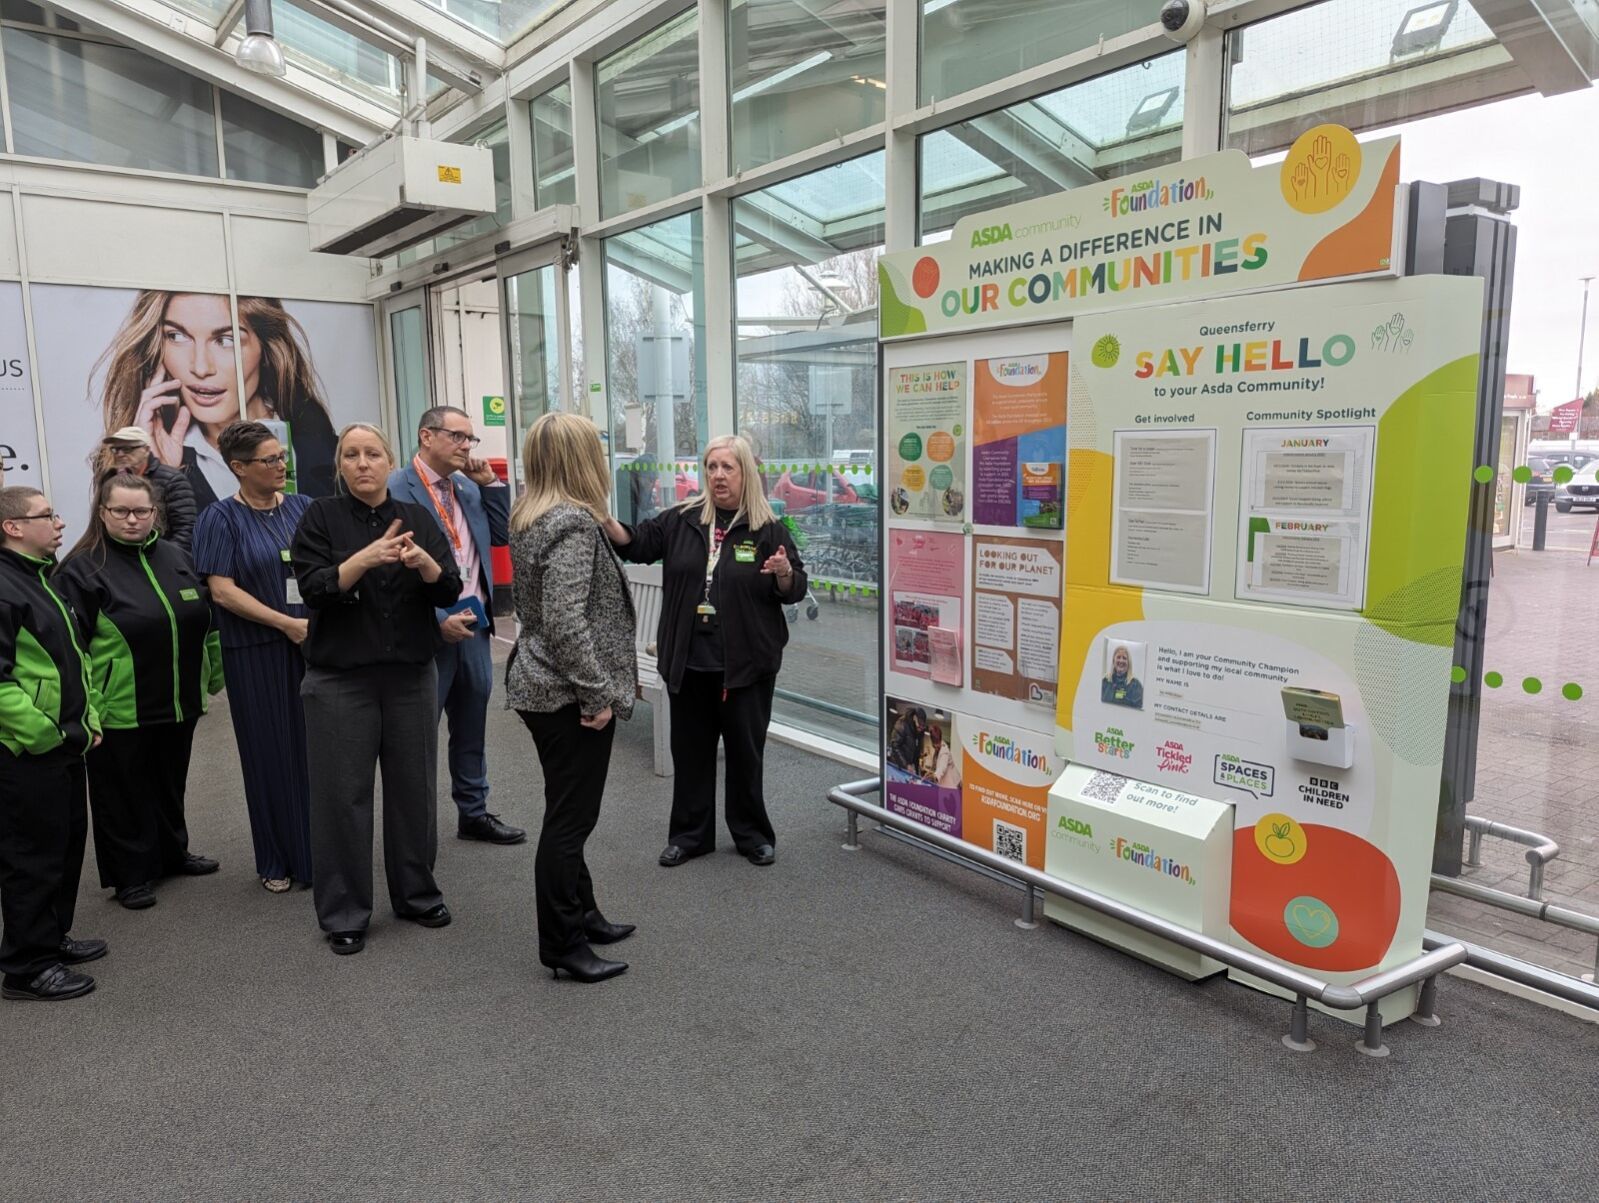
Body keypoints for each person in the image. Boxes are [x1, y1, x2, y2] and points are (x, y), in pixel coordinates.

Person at [292, 423, 462, 956]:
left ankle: (415, 893)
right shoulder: (320, 517)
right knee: (343, 798)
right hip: (341, 681)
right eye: (351, 455)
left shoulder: (417, 518)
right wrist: (365, 558)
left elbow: (450, 587)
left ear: (391, 461)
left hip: (411, 677)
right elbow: (313, 588)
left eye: (372, 453)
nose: (362, 463)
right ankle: (344, 911)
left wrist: (427, 565)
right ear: (340, 465)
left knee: (414, 791)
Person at [604, 434, 807, 869]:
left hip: (746, 666)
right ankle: (690, 836)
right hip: (689, 661)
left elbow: (794, 590)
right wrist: (605, 519)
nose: (717, 475)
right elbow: (636, 542)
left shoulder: (767, 528)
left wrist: (784, 573)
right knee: (691, 752)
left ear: (746, 473)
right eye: (711, 466)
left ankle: (752, 834)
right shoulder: (682, 520)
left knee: (745, 754)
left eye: (727, 467)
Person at [506, 413, 637, 984]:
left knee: (567, 811)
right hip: (566, 694)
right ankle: (563, 944)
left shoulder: (532, 515)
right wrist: (595, 696)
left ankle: (584, 915)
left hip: (538, 683)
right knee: (569, 824)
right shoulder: (573, 525)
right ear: (584, 460)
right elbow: (564, 622)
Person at [55, 472, 224, 910]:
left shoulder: (173, 555)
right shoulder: (83, 568)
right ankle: (129, 875)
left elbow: (203, 616)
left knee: (170, 781)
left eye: (141, 511)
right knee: (121, 794)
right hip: (118, 705)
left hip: (178, 698)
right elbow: (71, 649)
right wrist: (88, 706)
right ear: (103, 513)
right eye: (121, 511)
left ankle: (172, 852)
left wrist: (213, 674)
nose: (132, 520)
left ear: (156, 513)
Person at [388, 405, 523, 847]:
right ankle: (415, 824)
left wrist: (492, 487)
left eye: (471, 439)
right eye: (459, 437)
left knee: (471, 725)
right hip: (428, 630)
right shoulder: (396, 488)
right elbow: (391, 572)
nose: (467, 446)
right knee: (418, 734)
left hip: (475, 625)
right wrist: (438, 620)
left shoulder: (467, 487)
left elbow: (500, 537)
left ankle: (474, 812)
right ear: (427, 436)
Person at [192, 421, 315, 894]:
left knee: (313, 752)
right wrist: (285, 623)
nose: (281, 465)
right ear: (238, 468)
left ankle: (316, 852)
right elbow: (222, 592)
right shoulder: (219, 519)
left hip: (312, 645)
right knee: (269, 755)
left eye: (282, 456)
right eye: (269, 460)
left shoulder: (304, 508)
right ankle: (277, 858)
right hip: (258, 653)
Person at [0, 486, 108, 1001]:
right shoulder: (4, 587)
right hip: (27, 752)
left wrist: (86, 721)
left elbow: (72, 662)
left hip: (64, 744)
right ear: (13, 527)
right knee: (31, 858)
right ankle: (25, 967)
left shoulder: (43, 578)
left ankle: (50, 938)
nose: (60, 523)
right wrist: (46, 733)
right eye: (47, 515)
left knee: (63, 850)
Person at [97, 292, 338, 510]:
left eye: (226, 340)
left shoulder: (312, 431)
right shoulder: (142, 460)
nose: (201, 368)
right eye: (177, 336)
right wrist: (156, 474)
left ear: (266, 347)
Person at [99, 425, 197, 552]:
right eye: (115, 449)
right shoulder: (110, 479)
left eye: (127, 449)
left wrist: (165, 559)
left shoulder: (172, 480)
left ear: (146, 450)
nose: (120, 454)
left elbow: (186, 529)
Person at [1101, 645, 1144, 710]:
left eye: (1124, 658)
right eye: (1118, 657)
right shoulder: (1105, 681)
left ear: (1129, 662)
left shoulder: (1136, 686)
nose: (1121, 661)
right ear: (1113, 660)